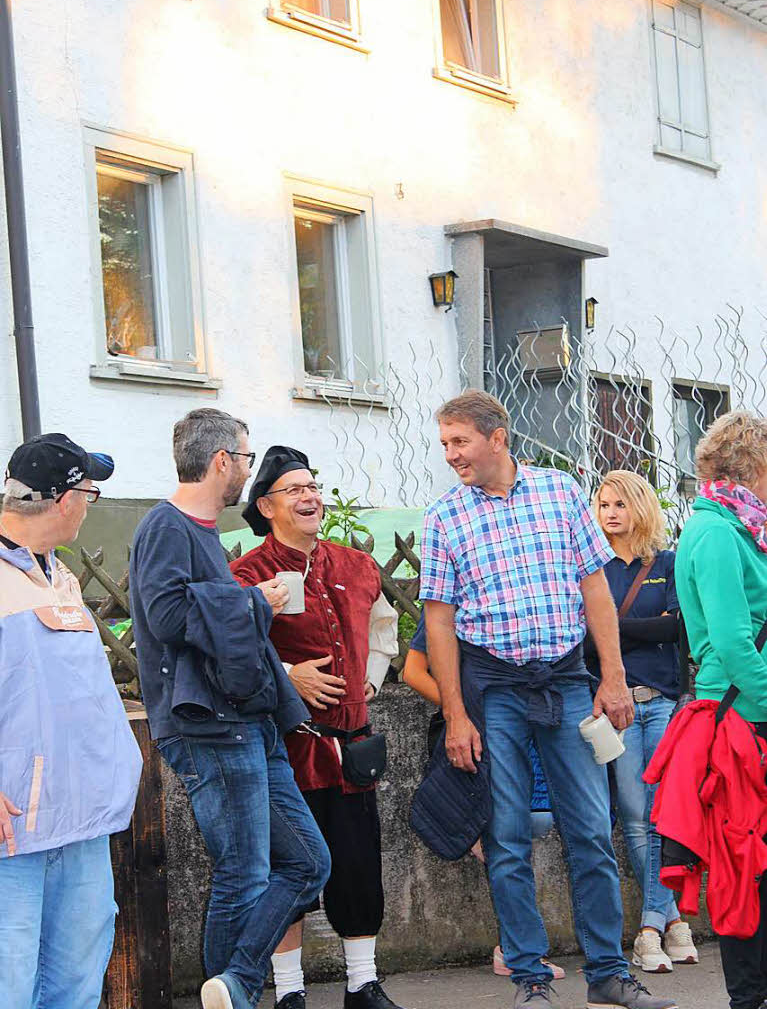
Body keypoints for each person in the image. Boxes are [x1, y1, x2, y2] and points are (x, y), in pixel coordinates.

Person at [419, 390, 676, 1009]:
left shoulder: (560, 492)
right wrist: (455, 714)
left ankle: (609, 975)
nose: (451, 453)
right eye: (446, 442)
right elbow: (439, 621)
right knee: (506, 836)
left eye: (461, 441)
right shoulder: (444, 517)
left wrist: (611, 677)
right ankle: (531, 977)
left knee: (590, 828)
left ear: (497, 437)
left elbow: (595, 587)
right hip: (495, 690)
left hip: (566, 681)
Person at [130, 412, 331, 1009]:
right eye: (245, 459)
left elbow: (196, 612)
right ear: (222, 461)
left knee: (307, 863)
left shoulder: (200, 529)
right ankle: (236, 990)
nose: (248, 469)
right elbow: (166, 618)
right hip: (207, 727)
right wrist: (254, 602)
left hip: (246, 722)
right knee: (243, 874)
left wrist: (245, 606)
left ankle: (236, 981)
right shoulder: (167, 527)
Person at [230, 446, 403, 1009]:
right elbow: (230, 653)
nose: (309, 497)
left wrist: (369, 684)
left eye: (312, 487)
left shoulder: (355, 565)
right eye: (294, 490)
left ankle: (362, 983)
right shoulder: (246, 575)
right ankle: (289, 992)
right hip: (287, 749)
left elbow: (383, 627)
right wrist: (289, 677)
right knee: (291, 870)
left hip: (352, 745)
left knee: (358, 864)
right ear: (266, 506)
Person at [0, 433, 143, 1009]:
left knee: (76, 983)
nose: (91, 505)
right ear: (65, 499)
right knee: (10, 980)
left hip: (80, 816)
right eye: (91, 492)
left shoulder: (56, 575)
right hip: (15, 827)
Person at [402, 614, 565, 981]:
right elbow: (412, 672)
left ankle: (515, 946)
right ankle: (516, 949)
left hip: (528, 728)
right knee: (505, 840)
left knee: (530, 825)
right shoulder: (443, 604)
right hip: (475, 737)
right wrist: (461, 710)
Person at [674, 410, 767, 1009]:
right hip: (741, 716)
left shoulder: (742, 528)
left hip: (748, 711)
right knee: (745, 864)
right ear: (753, 468)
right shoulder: (714, 533)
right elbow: (733, 642)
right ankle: (748, 997)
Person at [589, 470, 698, 973]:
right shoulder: (592, 566)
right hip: (618, 705)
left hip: (664, 701)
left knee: (661, 815)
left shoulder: (669, 564)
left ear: (641, 508)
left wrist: (612, 626)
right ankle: (671, 922)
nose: (611, 513)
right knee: (635, 814)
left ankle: (650, 927)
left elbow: (676, 626)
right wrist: (634, 632)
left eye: (620, 504)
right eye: (604, 504)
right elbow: (585, 637)